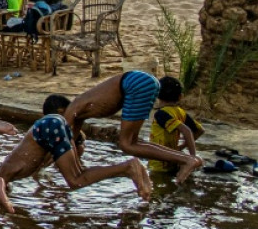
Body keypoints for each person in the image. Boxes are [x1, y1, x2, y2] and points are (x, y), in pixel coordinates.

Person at [0, 96, 152, 200]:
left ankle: (127, 167)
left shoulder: (4, 175)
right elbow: (71, 161)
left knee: (76, 181)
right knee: (79, 175)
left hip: (49, 126)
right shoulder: (11, 167)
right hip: (51, 127)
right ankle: (130, 168)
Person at [64, 71, 203, 183]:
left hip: (135, 84)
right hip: (146, 82)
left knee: (125, 144)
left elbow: (63, 144)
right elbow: (71, 142)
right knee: (134, 143)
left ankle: (187, 160)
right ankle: (188, 159)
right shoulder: (78, 114)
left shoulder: (70, 111)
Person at [149, 76, 204, 175]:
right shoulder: (180, 112)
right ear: (180, 96)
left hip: (159, 164)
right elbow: (199, 131)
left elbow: (186, 131)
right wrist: (181, 147)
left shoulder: (161, 114)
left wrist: (191, 158)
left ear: (157, 94)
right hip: (173, 161)